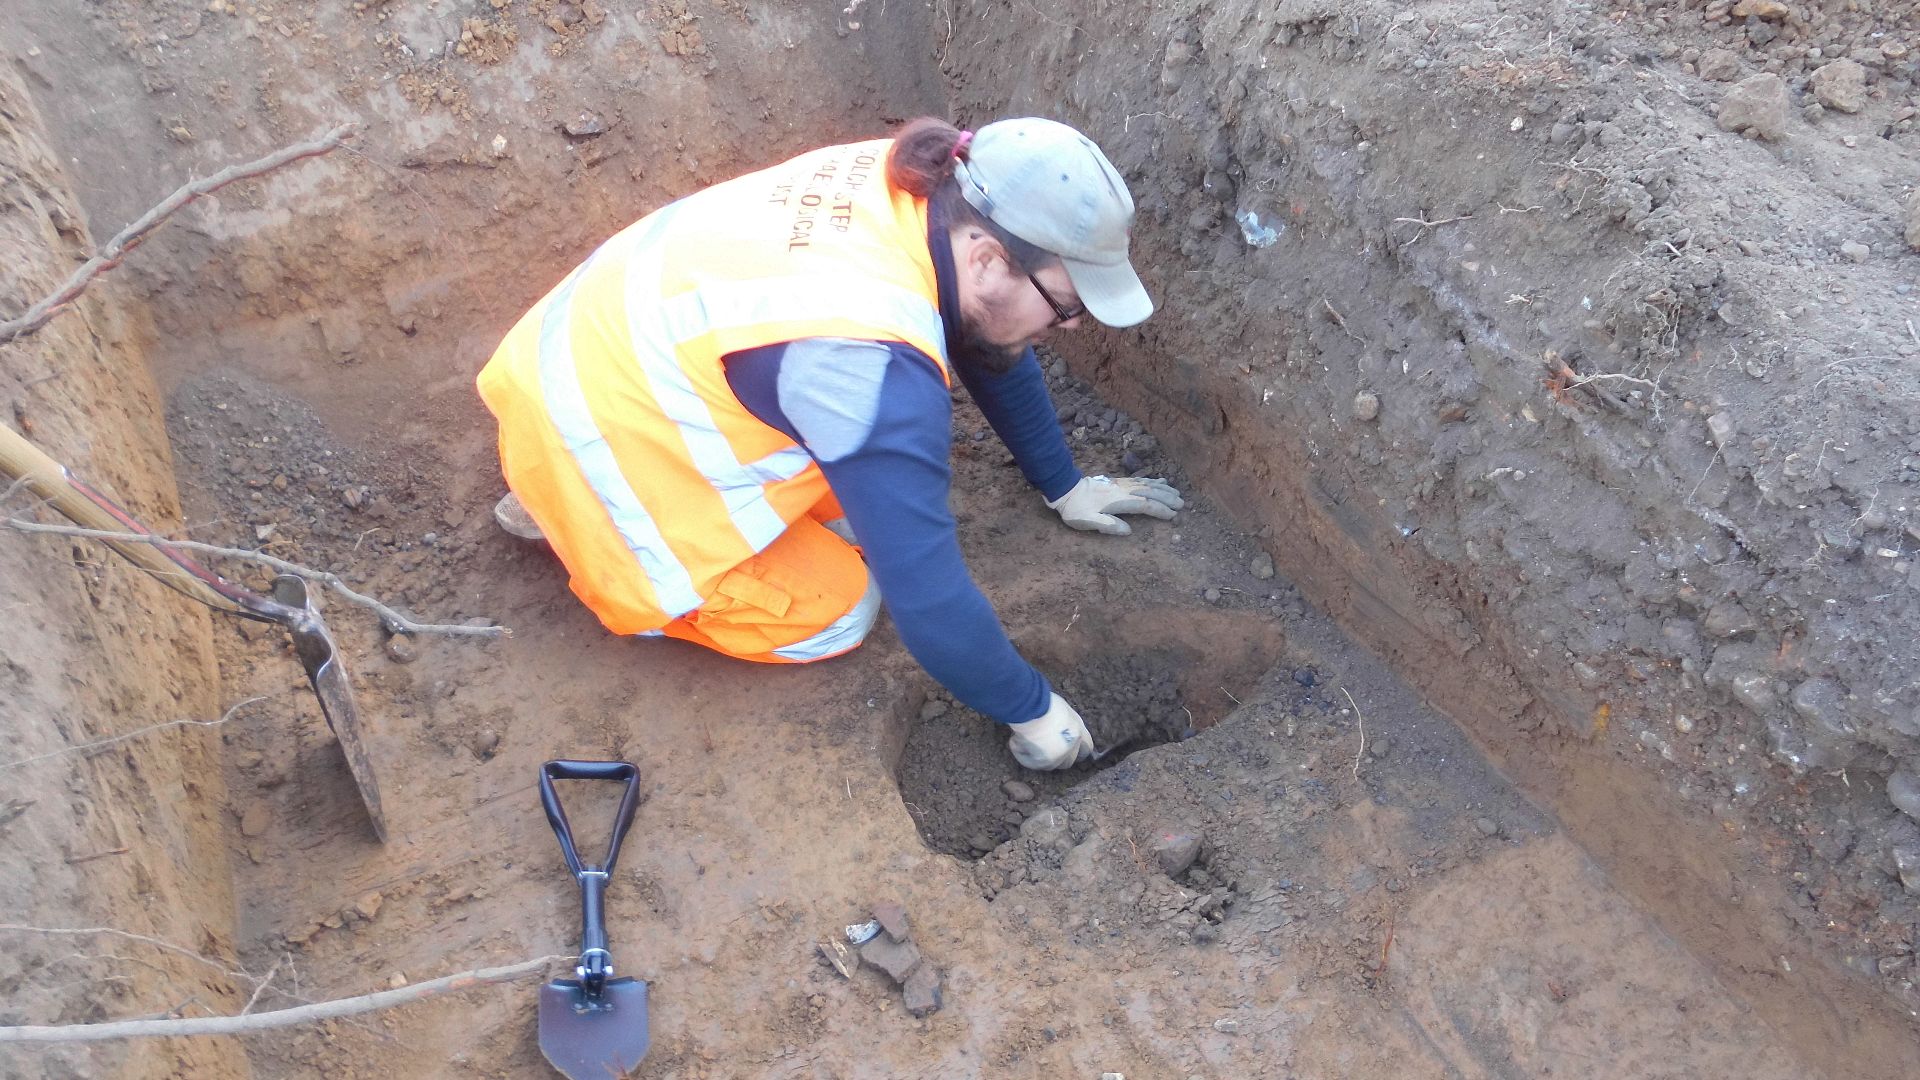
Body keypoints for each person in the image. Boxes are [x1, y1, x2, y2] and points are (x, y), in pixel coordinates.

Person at [476, 116, 1182, 770]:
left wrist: (1064, 483)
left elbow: (990, 339)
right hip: (591, 438)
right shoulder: (865, 366)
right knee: (843, 604)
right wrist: (1033, 712)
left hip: (585, 351)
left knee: (861, 491)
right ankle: (591, 532)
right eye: (1066, 305)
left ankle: (569, 484)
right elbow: (928, 599)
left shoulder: (919, 188)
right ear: (990, 260)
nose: (1071, 325)